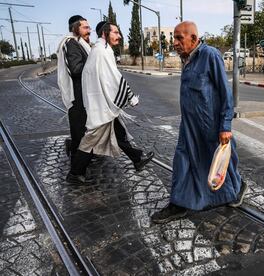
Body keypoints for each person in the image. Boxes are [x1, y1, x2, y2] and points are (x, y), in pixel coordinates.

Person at [151, 21, 247, 224]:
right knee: (182, 160)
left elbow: (225, 93)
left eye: (179, 38)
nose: (175, 43)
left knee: (219, 164)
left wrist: (225, 126)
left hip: (210, 125)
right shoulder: (186, 59)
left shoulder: (210, 55)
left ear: (193, 39)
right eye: (174, 38)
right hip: (189, 126)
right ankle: (178, 204)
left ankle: (237, 187)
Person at [66, 21, 154, 184]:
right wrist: (130, 96)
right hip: (101, 104)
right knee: (91, 138)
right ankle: (75, 172)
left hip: (101, 103)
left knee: (117, 131)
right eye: (116, 32)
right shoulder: (102, 51)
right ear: (105, 33)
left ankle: (137, 158)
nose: (119, 36)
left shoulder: (100, 49)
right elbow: (113, 78)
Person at [57, 15, 91, 159]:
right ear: (75, 28)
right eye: (85, 27)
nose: (89, 30)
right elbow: (76, 69)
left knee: (84, 127)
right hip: (77, 94)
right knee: (78, 129)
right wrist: (94, 65)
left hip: (85, 92)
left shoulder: (81, 43)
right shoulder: (71, 43)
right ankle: (77, 165)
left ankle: (78, 153)